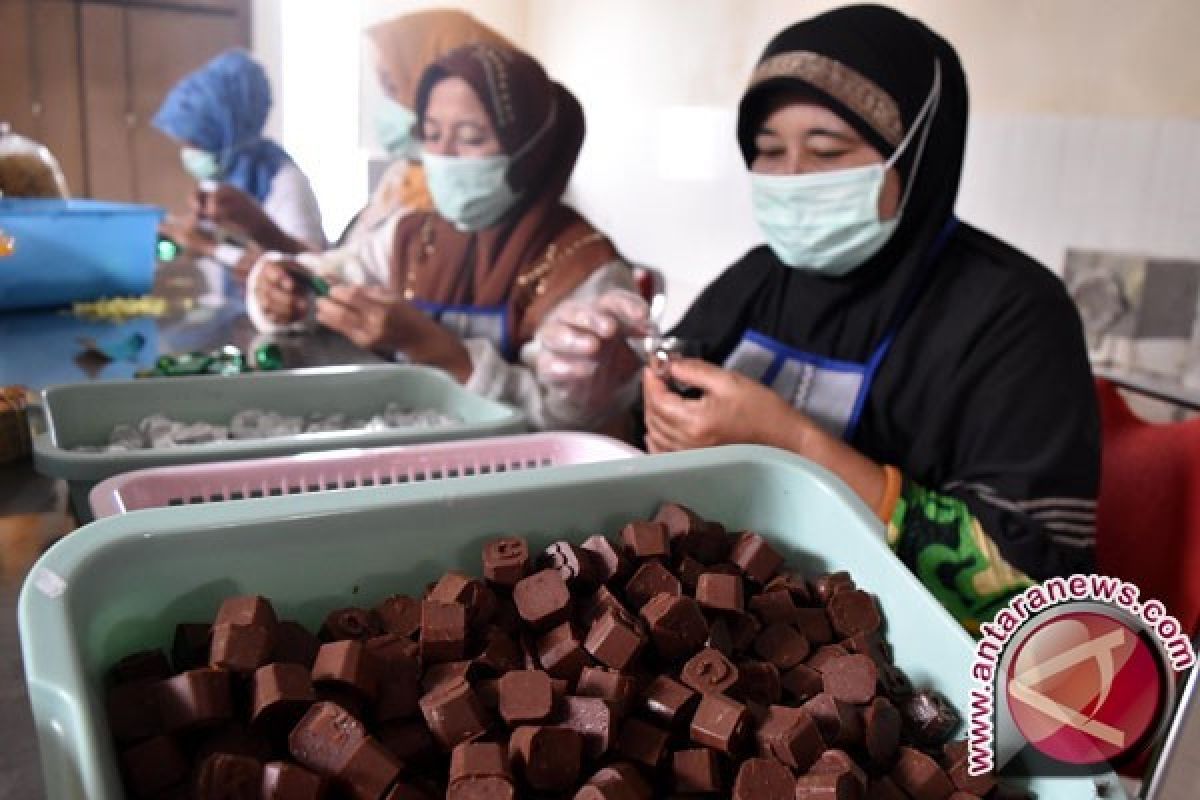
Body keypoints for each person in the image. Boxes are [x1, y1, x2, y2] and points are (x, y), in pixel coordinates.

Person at [536, 5, 1099, 630]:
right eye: (769, 151)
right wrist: (604, 395)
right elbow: (652, 459)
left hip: (903, 656)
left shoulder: (1013, 314)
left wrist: (796, 446)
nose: (792, 178)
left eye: (827, 151)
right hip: (712, 622)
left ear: (917, 157)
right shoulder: (758, 277)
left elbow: (1039, 591)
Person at [250, 42, 634, 431]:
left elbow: (566, 424)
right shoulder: (411, 236)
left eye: (470, 138)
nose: (445, 156)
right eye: (431, 134)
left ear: (528, 149)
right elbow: (335, 275)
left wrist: (438, 351)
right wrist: (287, 292)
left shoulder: (582, 266)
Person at [153, 48, 326, 275]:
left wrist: (210, 248)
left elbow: (311, 271)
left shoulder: (286, 185)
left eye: (196, 145)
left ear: (226, 134)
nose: (189, 154)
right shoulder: (220, 177)